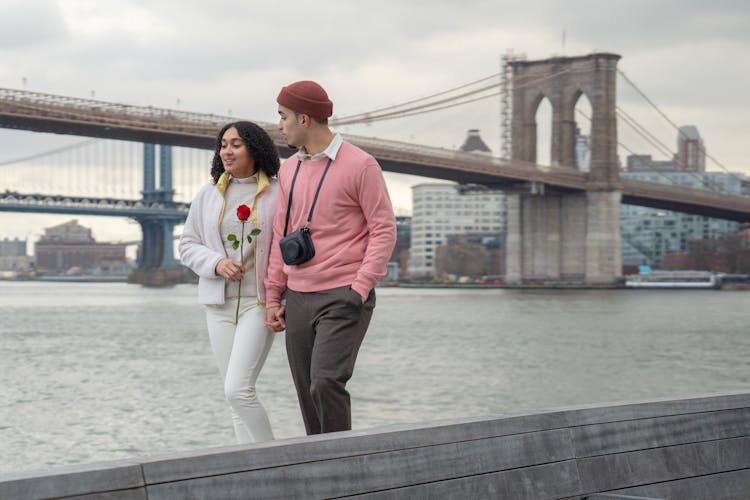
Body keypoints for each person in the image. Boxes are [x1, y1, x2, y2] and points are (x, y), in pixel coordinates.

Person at [264, 80, 397, 435]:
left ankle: (344, 467)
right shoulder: (288, 169)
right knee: (307, 393)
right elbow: (281, 232)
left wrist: (360, 287)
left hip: (342, 294)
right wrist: (274, 295)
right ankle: (320, 468)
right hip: (298, 295)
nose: (279, 125)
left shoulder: (361, 165)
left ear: (304, 118)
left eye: (283, 116)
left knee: (325, 383)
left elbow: (383, 229)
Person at [179, 121, 280, 444]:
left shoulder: (279, 192)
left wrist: (282, 299)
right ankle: (253, 473)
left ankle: (276, 463)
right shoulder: (208, 194)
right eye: (223, 144)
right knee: (233, 397)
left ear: (255, 148)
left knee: (238, 389)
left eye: (236, 144)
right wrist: (217, 263)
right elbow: (188, 245)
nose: (226, 150)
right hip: (218, 306)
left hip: (259, 303)